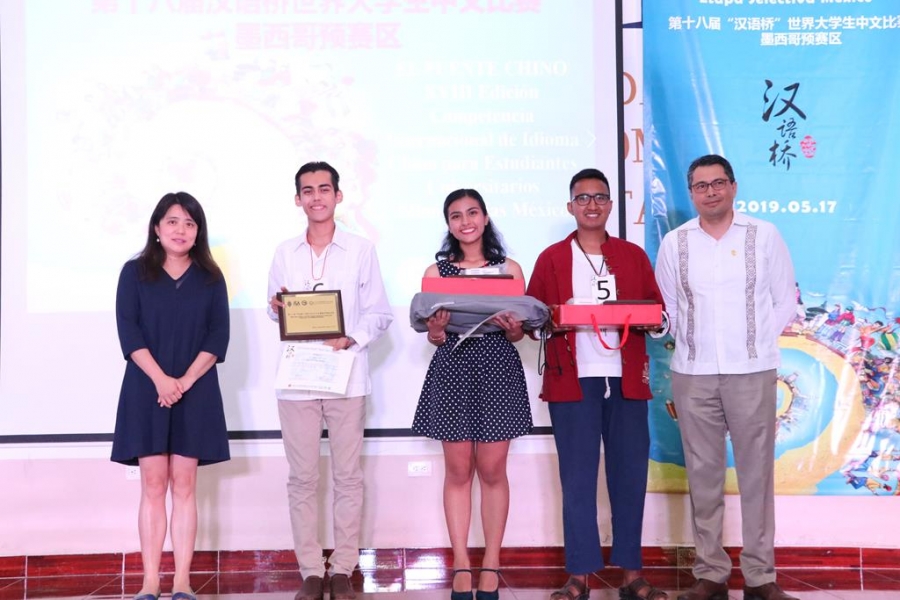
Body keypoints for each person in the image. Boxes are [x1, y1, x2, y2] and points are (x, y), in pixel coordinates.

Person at [654, 154, 797, 600]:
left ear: (733, 187)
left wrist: (755, 343)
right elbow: (668, 309)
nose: (710, 192)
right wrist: (653, 325)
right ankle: (711, 573)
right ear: (691, 193)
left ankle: (760, 577)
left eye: (718, 183)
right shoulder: (675, 243)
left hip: (752, 370)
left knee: (757, 475)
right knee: (703, 475)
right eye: (701, 186)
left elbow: (785, 300)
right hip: (693, 373)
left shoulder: (764, 235)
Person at [526, 169, 668, 600]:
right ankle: (579, 575)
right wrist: (553, 318)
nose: (591, 204)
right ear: (570, 206)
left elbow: (659, 315)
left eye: (600, 197)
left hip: (626, 381)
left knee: (630, 477)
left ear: (610, 205)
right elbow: (532, 320)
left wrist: (652, 320)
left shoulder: (632, 256)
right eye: (583, 198)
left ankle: (632, 574)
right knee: (577, 479)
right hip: (572, 382)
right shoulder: (552, 258)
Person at [268, 161, 393, 600]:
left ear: (338, 196)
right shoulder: (284, 252)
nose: (316, 196)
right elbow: (276, 311)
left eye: (324, 188)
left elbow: (380, 313)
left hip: (346, 376)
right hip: (297, 379)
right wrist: (279, 308)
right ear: (297, 199)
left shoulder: (361, 249)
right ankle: (309, 571)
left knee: (348, 478)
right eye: (308, 190)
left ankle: (342, 568)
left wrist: (350, 338)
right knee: (301, 479)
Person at [412, 188, 533, 600]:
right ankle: (461, 562)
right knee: (458, 471)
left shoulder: (509, 269)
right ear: (448, 224)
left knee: (493, 471)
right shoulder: (436, 272)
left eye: (472, 212)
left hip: (498, 367)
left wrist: (515, 329)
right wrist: (436, 330)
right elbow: (434, 335)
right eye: (456, 215)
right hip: (453, 367)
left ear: (485, 218)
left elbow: (519, 333)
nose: (465, 221)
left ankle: (492, 564)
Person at [112, 192, 231, 600]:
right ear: (157, 228)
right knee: (152, 484)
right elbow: (128, 331)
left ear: (199, 232)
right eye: (173, 222)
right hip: (146, 388)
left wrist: (183, 381)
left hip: (196, 391)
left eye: (190, 223)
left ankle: (182, 581)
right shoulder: (134, 272)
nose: (181, 230)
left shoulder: (211, 277)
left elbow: (218, 335)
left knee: (184, 485)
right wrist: (162, 380)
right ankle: (150, 581)